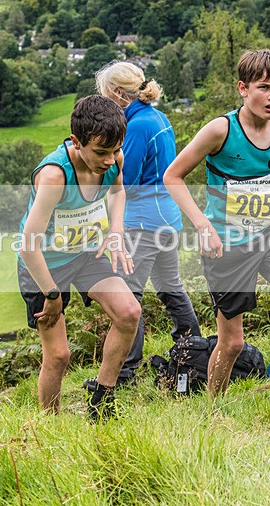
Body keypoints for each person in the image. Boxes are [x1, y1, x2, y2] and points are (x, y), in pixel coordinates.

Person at [164, 49, 270, 407]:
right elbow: (172, 176)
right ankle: (213, 408)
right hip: (227, 245)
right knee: (232, 342)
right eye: (264, 87)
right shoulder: (220, 130)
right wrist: (202, 223)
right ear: (243, 88)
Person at [18, 95, 141, 420]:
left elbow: (117, 191)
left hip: (87, 253)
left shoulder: (114, 159)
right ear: (76, 142)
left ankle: (102, 399)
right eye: (101, 152)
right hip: (44, 264)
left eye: (115, 150)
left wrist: (115, 232)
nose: (109, 160)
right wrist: (52, 295)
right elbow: (28, 245)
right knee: (58, 356)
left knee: (129, 313)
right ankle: (51, 426)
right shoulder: (55, 176)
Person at [89, 61, 201, 389]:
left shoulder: (135, 126)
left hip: (142, 223)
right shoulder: (158, 116)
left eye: (104, 94)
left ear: (115, 94)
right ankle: (193, 347)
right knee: (170, 287)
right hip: (167, 217)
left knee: (128, 298)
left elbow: (127, 179)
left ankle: (124, 374)